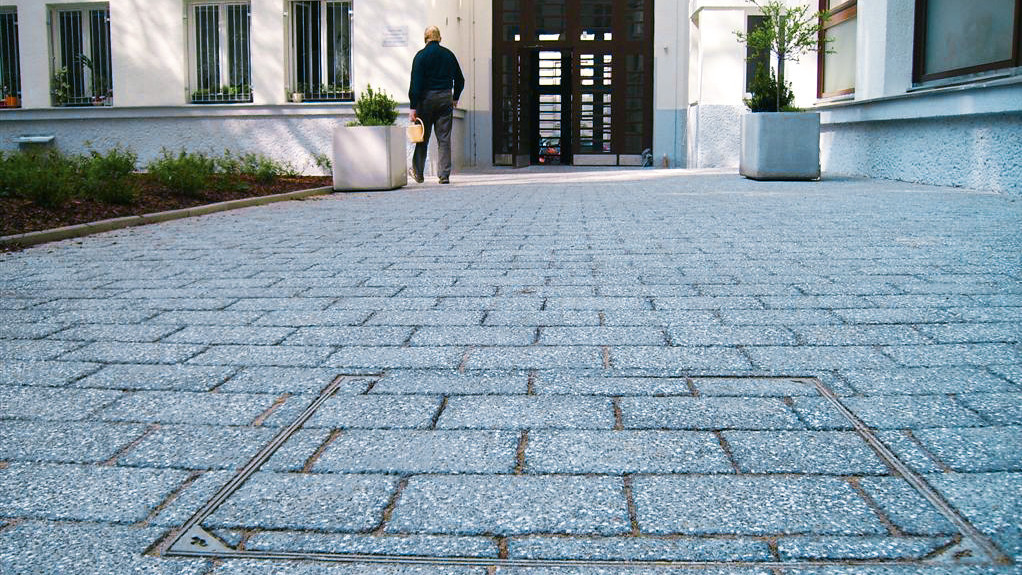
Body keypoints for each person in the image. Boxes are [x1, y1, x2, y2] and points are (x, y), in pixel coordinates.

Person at [408, 25, 465, 185]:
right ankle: (444, 175)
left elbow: (415, 84)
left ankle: (418, 173)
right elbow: (460, 80)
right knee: (444, 139)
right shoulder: (448, 55)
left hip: (425, 99)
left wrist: (413, 106)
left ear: (425, 38)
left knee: (422, 138)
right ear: (440, 38)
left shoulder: (420, 56)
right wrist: (455, 98)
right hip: (445, 98)